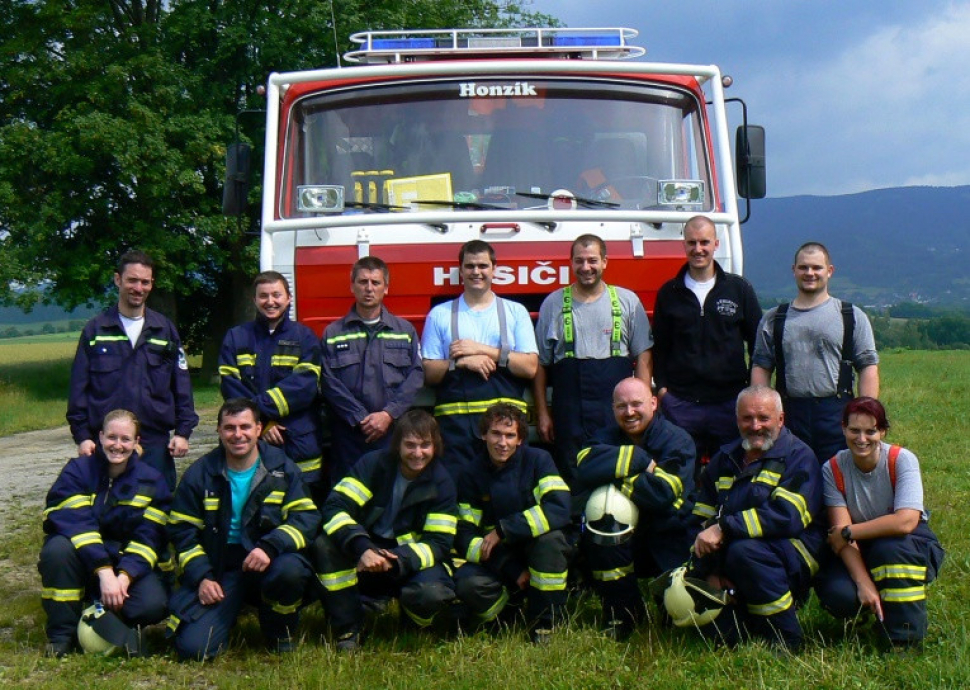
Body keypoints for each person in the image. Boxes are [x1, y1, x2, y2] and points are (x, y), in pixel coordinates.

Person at [167, 398, 321, 660]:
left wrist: (271, 546)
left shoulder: (282, 468)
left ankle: (279, 631)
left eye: (245, 427)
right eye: (229, 427)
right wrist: (202, 576)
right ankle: (228, 613)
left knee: (290, 572)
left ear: (259, 429)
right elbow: (182, 533)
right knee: (194, 649)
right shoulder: (200, 473)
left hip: (270, 561)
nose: (238, 434)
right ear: (219, 431)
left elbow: (305, 518)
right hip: (222, 567)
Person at [689, 385, 824, 652]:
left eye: (764, 418)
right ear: (736, 419)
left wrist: (724, 528)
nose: (755, 426)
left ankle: (785, 637)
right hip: (735, 549)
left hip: (795, 550)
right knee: (720, 635)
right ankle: (742, 616)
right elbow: (700, 518)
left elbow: (787, 517)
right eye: (747, 418)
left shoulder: (799, 457)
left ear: (780, 419)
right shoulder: (725, 458)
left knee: (746, 552)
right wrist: (711, 570)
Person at [310, 410, 458, 652]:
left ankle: (413, 624)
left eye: (425, 445)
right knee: (324, 546)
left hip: (408, 560)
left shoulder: (443, 483)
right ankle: (348, 626)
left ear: (435, 446)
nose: (418, 453)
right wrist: (362, 547)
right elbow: (335, 506)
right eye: (410, 445)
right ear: (397, 444)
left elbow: (439, 543)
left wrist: (396, 560)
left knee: (431, 592)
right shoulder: (373, 464)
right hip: (366, 551)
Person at [814, 397, 944, 651]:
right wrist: (863, 583)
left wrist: (850, 531)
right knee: (839, 594)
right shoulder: (832, 469)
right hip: (857, 547)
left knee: (890, 552)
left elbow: (905, 521)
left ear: (882, 431)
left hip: (905, 543)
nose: (862, 439)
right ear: (843, 429)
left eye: (870, 431)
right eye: (854, 430)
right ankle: (867, 612)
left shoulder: (902, 460)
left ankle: (904, 639)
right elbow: (841, 541)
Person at [39, 410, 171, 657]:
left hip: (123, 561)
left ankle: (106, 618)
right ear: (100, 437)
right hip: (81, 558)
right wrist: (104, 571)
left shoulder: (152, 481)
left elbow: (150, 537)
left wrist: (125, 577)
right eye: (111, 437)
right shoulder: (77, 471)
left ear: (136, 442)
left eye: (125, 439)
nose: (117, 445)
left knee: (153, 605)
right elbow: (75, 523)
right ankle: (62, 636)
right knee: (57, 550)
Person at [68, 249, 198, 492]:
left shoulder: (164, 331)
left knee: (156, 509)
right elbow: (78, 389)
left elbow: (181, 385)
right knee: (105, 509)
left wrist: (183, 432)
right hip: (108, 444)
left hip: (155, 444)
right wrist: (83, 436)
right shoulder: (96, 331)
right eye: (132, 280)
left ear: (152, 284)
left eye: (145, 282)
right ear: (118, 279)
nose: (139, 288)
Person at [576, 377, 695, 640]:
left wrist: (612, 474)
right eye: (621, 406)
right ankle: (623, 612)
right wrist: (638, 458)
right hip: (624, 538)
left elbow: (662, 494)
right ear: (613, 409)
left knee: (677, 617)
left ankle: (667, 601)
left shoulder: (677, 439)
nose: (629, 412)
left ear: (653, 403)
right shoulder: (604, 436)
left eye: (636, 404)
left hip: (670, 535)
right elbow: (583, 465)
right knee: (604, 514)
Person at [534, 234, 653, 488]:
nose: (586, 267)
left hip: (616, 410)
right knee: (573, 479)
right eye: (579, 261)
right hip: (569, 413)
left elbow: (644, 356)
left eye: (592, 260)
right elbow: (541, 365)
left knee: (619, 474)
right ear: (571, 263)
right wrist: (543, 413)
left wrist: (644, 409)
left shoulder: (627, 302)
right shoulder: (553, 304)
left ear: (605, 262)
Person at [453, 403, 572, 644]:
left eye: (510, 435)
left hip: (538, 552)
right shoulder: (470, 474)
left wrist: (504, 529)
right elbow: (464, 536)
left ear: (520, 439)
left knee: (550, 541)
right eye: (496, 434)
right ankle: (508, 614)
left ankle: (545, 623)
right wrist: (510, 567)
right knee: (466, 583)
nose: (502, 442)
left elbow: (559, 507)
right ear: (484, 434)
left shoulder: (539, 460)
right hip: (497, 560)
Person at [653, 216, 762, 477]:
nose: (698, 249)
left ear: (716, 244)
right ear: (684, 244)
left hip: (729, 404)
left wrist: (749, 390)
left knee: (730, 475)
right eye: (692, 243)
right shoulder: (669, 293)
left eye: (704, 242)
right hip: (681, 405)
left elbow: (759, 345)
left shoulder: (739, 289)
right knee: (680, 475)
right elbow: (659, 347)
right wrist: (664, 391)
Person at [751, 242, 879, 462]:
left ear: (829, 271)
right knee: (790, 477)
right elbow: (761, 366)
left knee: (836, 477)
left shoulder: (851, 316)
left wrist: (865, 414)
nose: (809, 273)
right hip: (788, 415)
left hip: (837, 415)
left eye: (817, 267)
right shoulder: (773, 319)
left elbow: (867, 367)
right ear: (794, 270)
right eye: (803, 267)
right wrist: (761, 412)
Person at [421, 240, 538, 479]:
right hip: (456, 434)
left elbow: (530, 367)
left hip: (505, 433)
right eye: (470, 266)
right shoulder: (439, 315)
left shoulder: (516, 312)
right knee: (459, 492)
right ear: (461, 270)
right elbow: (428, 373)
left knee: (509, 489)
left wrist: (482, 350)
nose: (476, 272)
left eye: (483, 266)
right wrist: (459, 363)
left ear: (494, 269)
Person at [320, 256, 423, 486]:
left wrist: (388, 414)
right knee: (347, 493)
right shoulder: (333, 333)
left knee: (389, 490)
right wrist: (359, 417)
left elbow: (415, 377)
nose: (369, 288)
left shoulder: (404, 331)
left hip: (392, 431)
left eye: (375, 282)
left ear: (386, 288)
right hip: (348, 434)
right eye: (362, 282)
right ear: (352, 286)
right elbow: (327, 381)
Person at [219, 271, 325, 492]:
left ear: (288, 298)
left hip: (297, 439)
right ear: (254, 299)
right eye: (263, 296)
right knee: (251, 498)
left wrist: (258, 414)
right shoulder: (236, 337)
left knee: (302, 500)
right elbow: (230, 386)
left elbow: (304, 387)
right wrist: (263, 423)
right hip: (251, 438)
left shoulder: (305, 337)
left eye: (276, 295)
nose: (270, 301)